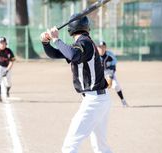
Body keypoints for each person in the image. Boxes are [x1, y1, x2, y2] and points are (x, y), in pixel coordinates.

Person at [40, 13, 113, 153]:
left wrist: (56, 38)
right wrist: (46, 42)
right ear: (86, 27)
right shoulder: (83, 43)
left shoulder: (84, 42)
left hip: (94, 101)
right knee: (100, 146)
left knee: (69, 145)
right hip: (99, 99)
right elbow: (56, 54)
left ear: (70, 29)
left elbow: (72, 54)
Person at [97, 41, 128, 107]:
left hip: (109, 72)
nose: (101, 49)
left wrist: (110, 76)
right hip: (100, 74)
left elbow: (113, 66)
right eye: (100, 47)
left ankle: (123, 101)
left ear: (106, 48)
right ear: (97, 48)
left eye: (103, 47)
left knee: (116, 85)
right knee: (98, 89)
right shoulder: (95, 56)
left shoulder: (110, 55)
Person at [0, 37, 15, 102]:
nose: (2, 44)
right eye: (1, 43)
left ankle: (7, 91)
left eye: (3, 43)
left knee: (8, 83)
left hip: (7, 67)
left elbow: (11, 62)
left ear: (6, 43)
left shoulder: (8, 51)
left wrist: (7, 70)